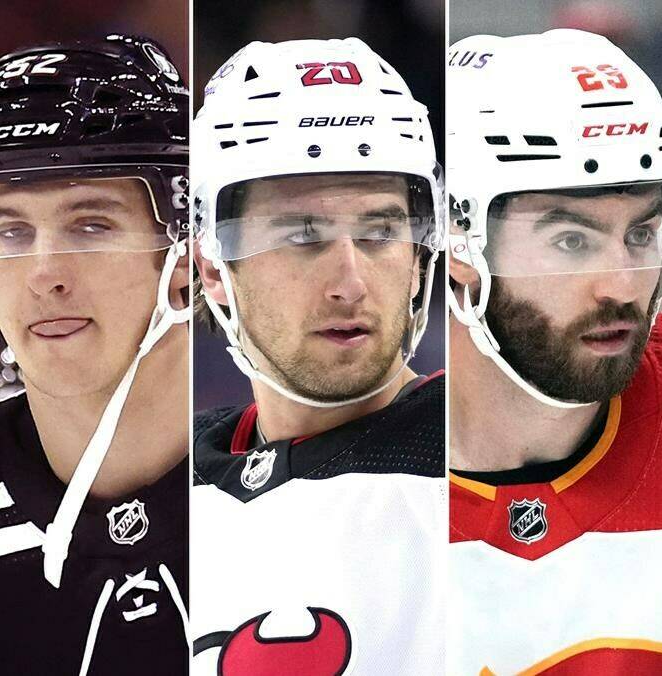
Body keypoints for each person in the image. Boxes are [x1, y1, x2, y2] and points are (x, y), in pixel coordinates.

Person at [0, 35, 190, 675]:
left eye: (91, 224)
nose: (44, 274)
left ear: (188, 255)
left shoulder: (300, 498)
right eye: (12, 232)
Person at [191, 38, 445, 674]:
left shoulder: (492, 450)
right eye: (303, 235)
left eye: (382, 232)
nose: (352, 283)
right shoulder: (158, 479)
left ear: (420, 258)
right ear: (214, 269)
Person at [447, 29, 662, 674]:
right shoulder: (357, 488)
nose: (622, 287)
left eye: (641, 233)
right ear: (461, 245)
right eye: (571, 242)